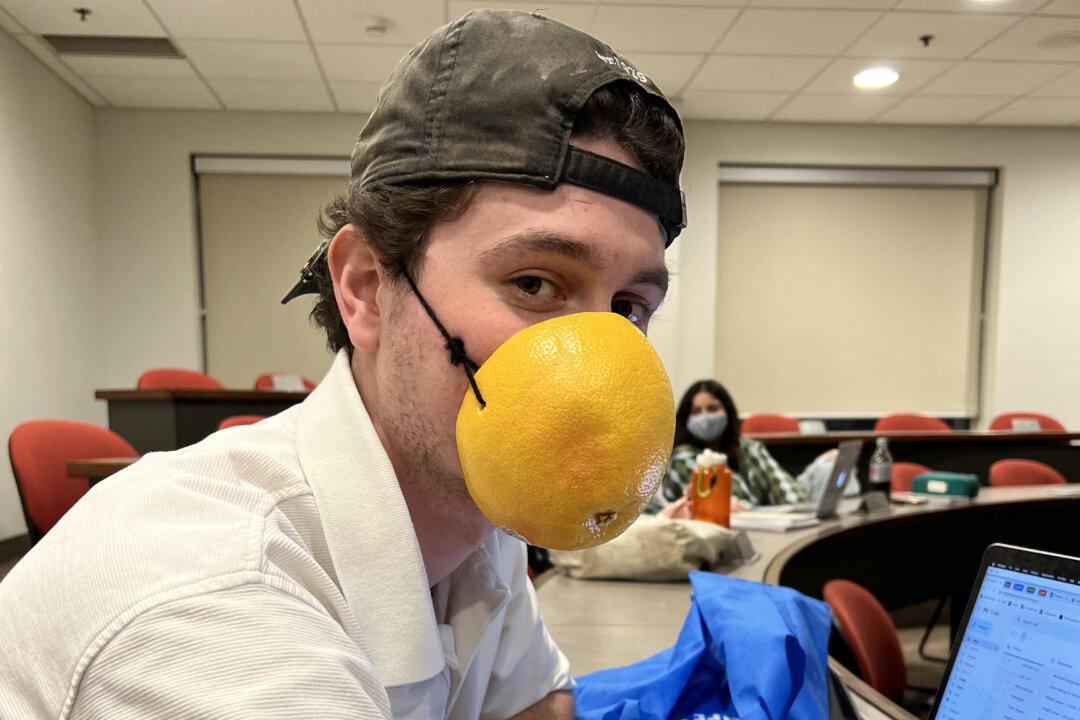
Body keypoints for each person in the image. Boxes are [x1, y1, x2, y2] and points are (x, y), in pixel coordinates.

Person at [0, 11, 685, 719]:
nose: (590, 369)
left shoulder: (476, 508)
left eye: (629, 308)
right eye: (534, 284)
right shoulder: (221, 611)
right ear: (364, 288)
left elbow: (536, 701)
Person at [647, 380, 811, 516]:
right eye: (696, 411)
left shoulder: (748, 448)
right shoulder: (682, 459)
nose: (705, 417)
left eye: (712, 408)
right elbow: (732, 507)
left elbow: (789, 494)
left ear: (728, 411)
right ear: (685, 419)